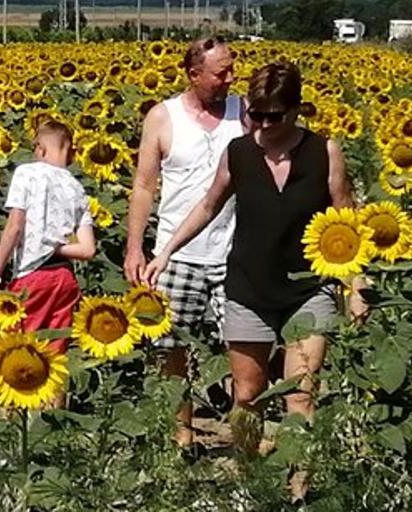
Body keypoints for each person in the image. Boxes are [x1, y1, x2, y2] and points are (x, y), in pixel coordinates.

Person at [142, 62, 366, 452]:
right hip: (248, 289)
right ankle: (250, 483)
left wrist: (357, 284)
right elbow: (208, 206)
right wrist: (166, 252)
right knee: (247, 395)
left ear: (296, 109)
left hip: (308, 289)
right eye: (255, 114)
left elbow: (347, 220)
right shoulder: (240, 152)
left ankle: (298, 489)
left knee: (300, 396)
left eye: (273, 116)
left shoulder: (323, 152)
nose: (262, 125)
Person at [122, 36, 245, 448]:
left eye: (231, 69)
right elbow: (143, 186)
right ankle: (183, 434)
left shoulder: (243, 112)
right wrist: (135, 248)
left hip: (235, 250)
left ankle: (244, 434)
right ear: (194, 75)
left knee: (245, 347)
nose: (230, 78)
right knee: (170, 348)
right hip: (177, 256)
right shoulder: (163, 117)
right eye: (220, 72)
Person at [0, 120, 96, 353]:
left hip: (32, 276)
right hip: (64, 279)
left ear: (40, 149)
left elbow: (14, 226)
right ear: (71, 152)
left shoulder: (27, 173)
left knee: (19, 352)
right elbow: (88, 250)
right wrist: (55, 248)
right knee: (53, 360)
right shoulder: (77, 188)